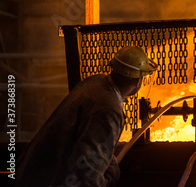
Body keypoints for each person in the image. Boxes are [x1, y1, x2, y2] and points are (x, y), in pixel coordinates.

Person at [16, 46, 157, 187]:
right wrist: (109, 178)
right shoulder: (108, 109)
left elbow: (97, 144)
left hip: (34, 175)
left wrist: (110, 162)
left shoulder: (96, 82)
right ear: (137, 81)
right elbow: (88, 177)